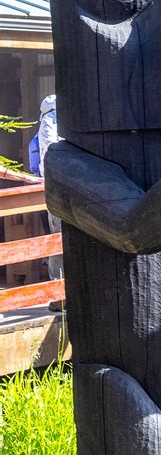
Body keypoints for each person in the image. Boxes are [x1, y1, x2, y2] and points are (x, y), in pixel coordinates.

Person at [38, 94, 64, 312]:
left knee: (61, 239)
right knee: (59, 239)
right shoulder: (52, 119)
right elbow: (52, 152)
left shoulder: (50, 117)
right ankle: (59, 295)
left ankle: (63, 294)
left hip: (61, 185)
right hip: (59, 187)